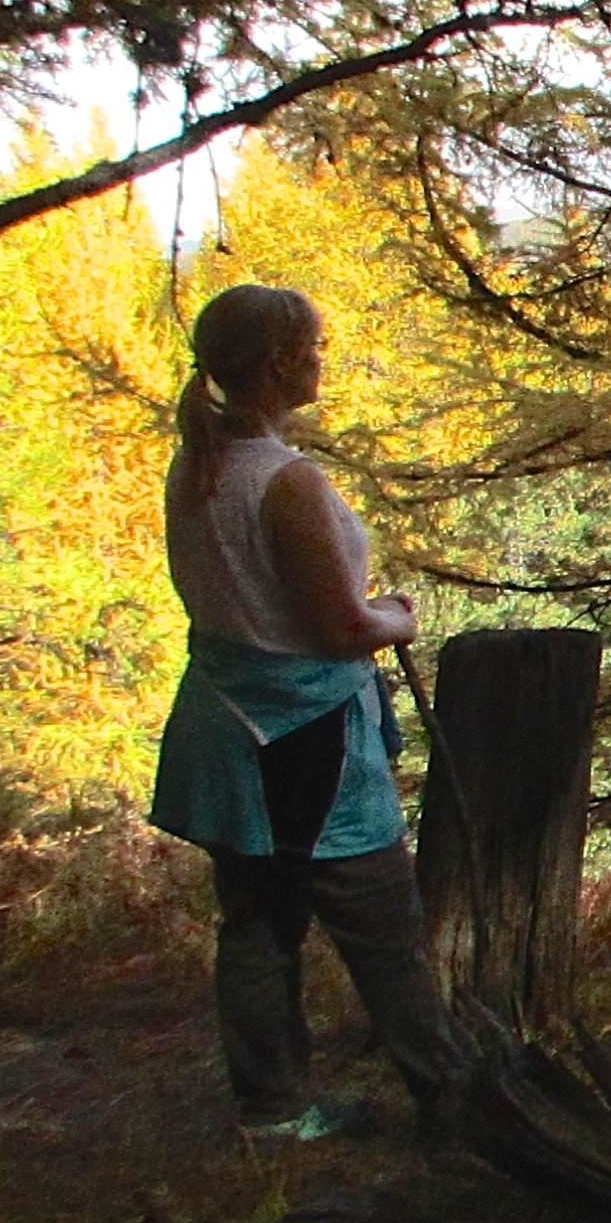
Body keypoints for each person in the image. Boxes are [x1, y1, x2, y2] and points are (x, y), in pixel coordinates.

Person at [148, 283, 463, 1141]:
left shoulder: (199, 464)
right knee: (382, 923)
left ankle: (273, 1108)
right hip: (304, 738)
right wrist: (398, 616)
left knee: (257, 920)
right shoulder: (285, 483)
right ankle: (451, 1099)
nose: (324, 358)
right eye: (315, 345)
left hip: (224, 722)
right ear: (281, 363)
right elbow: (338, 628)